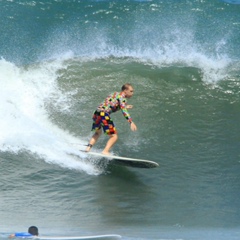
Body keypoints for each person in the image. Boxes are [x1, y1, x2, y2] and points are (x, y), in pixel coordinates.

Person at [85, 83, 137, 155]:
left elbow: (110, 105)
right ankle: (105, 151)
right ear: (125, 91)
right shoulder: (123, 98)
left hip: (96, 113)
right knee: (114, 136)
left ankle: (88, 148)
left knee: (97, 133)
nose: (132, 93)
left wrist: (124, 106)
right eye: (131, 91)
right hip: (104, 115)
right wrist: (131, 122)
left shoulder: (114, 94)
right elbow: (123, 110)